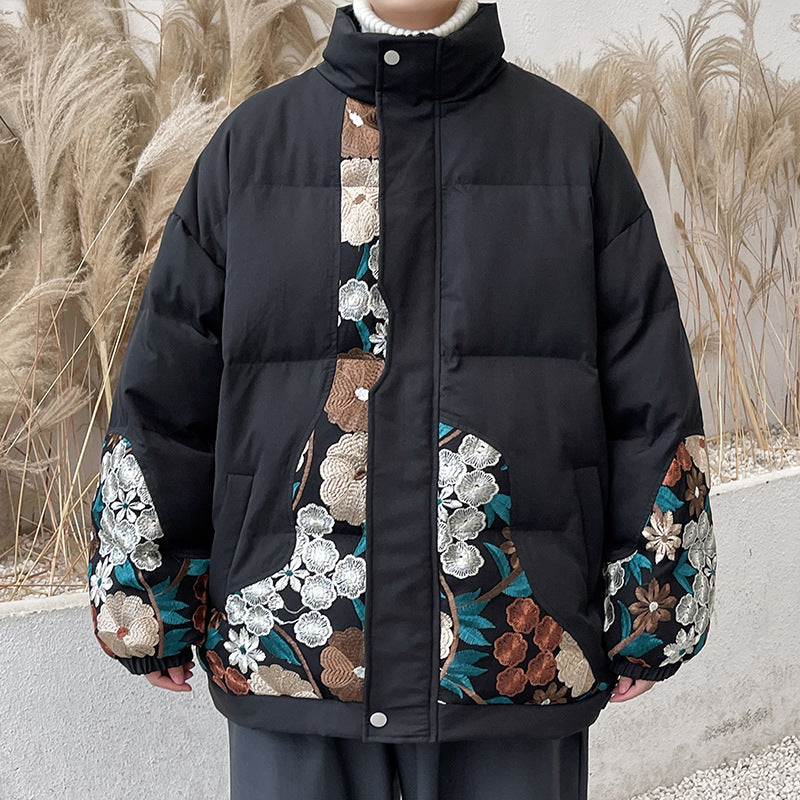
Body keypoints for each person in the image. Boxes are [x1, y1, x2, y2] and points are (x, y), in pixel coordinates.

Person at [86, 2, 717, 798]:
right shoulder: (252, 149)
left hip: (514, 649)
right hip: (292, 648)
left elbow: (649, 393)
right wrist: (148, 594)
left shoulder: (570, 147)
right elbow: (169, 389)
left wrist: (654, 603)